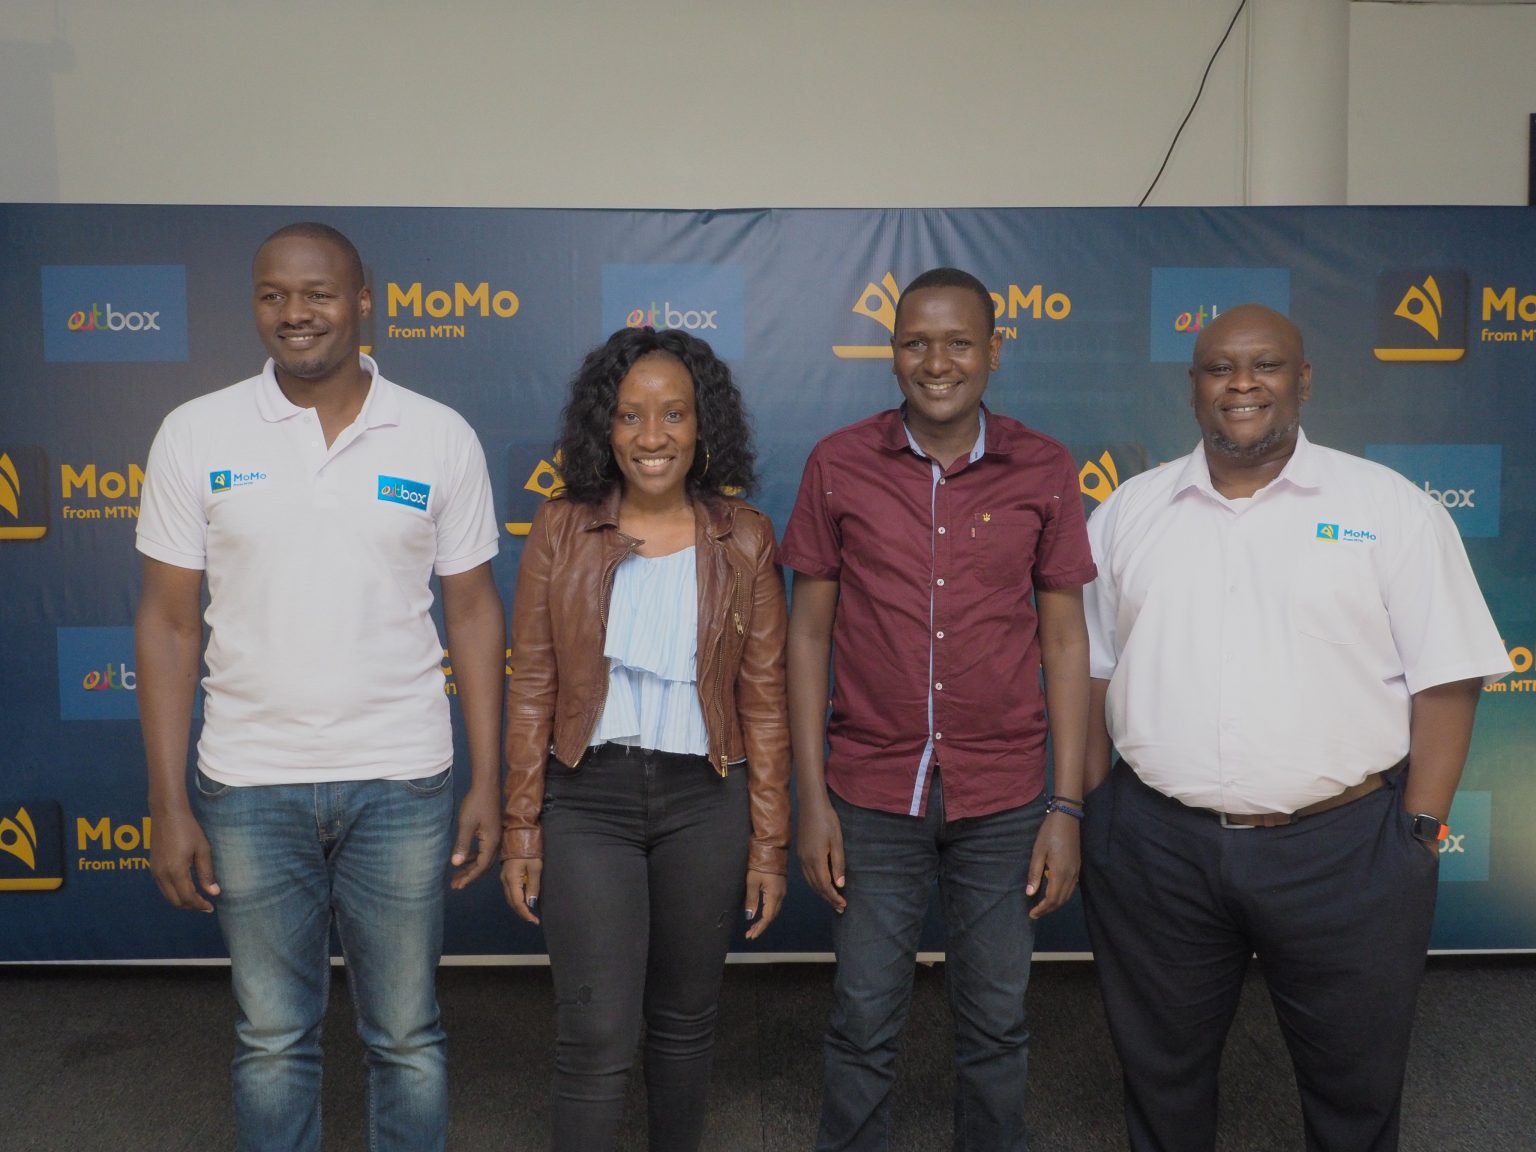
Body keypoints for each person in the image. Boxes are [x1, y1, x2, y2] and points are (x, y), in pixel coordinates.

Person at [1080, 303, 1512, 1152]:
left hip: (1344, 853)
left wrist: (1419, 831)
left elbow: (1449, 676)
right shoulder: (1128, 512)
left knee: (1355, 1087)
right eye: (1220, 368)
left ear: (1303, 379)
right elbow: (1090, 672)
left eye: (1266, 365)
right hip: (1157, 849)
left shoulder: (1388, 507)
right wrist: (1098, 813)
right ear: (1193, 386)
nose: (1242, 384)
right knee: (1160, 1080)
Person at [134, 222, 505, 1152]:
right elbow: (169, 624)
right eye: (273, 295)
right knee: (271, 1038)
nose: (294, 313)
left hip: (403, 781)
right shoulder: (195, 431)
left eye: (318, 293)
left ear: (364, 300)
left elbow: (472, 613)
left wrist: (489, 781)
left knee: (406, 1035)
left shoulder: (438, 435)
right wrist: (167, 802)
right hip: (249, 783)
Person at [780, 267, 1095, 1151]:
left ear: (994, 350)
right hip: (871, 791)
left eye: (959, 342)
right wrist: (813, 800)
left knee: (996, 1021)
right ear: (892, 354)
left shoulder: (1044, 466)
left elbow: (1065, 640)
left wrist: (1066, 806)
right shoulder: (838, 463)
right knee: (862, 1017)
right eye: (916, 342)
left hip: (1005, 795)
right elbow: (807, 637)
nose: (937, 361)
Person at [500, 325, 790, 1152]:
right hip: (586, 801)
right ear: (605, 425)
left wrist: (770, 845)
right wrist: (522, 827)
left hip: (707, 802)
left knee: (686, 1024)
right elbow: (533, 685)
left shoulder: (745, 535)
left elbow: (765, 702)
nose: (651, 436)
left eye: (673, 414)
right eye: (630, 416)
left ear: (703, 426)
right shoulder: (561, 527)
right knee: (595, 1035)